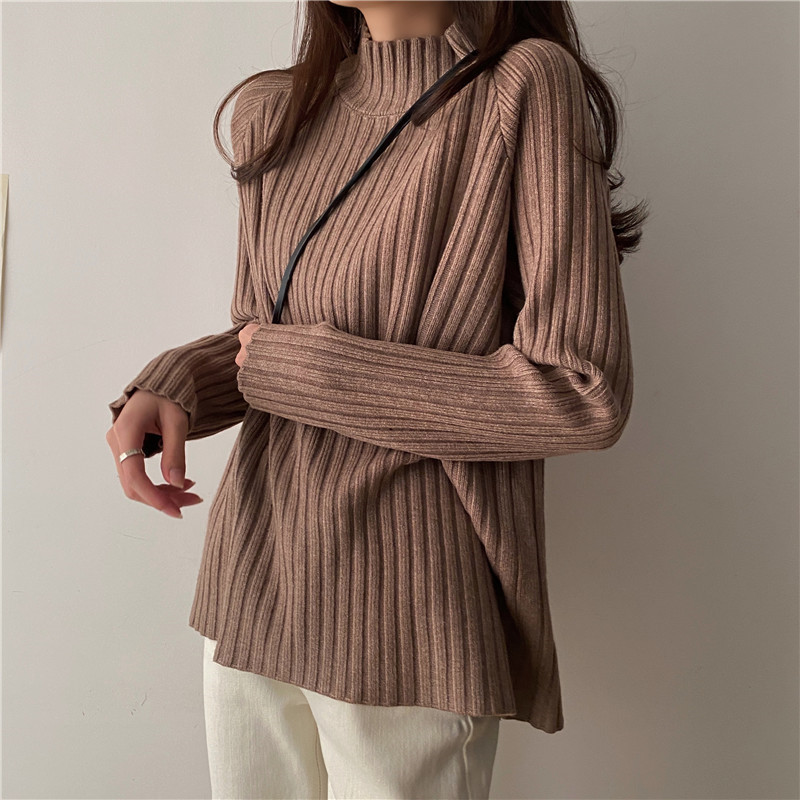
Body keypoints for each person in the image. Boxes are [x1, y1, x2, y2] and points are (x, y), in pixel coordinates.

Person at [106, 1, 645, 797]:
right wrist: (180, 381)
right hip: (253, 582)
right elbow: (266, 340)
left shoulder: (524, 86)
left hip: (409, 615)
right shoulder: (276, 111)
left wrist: (311, 370)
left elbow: (582, 392)